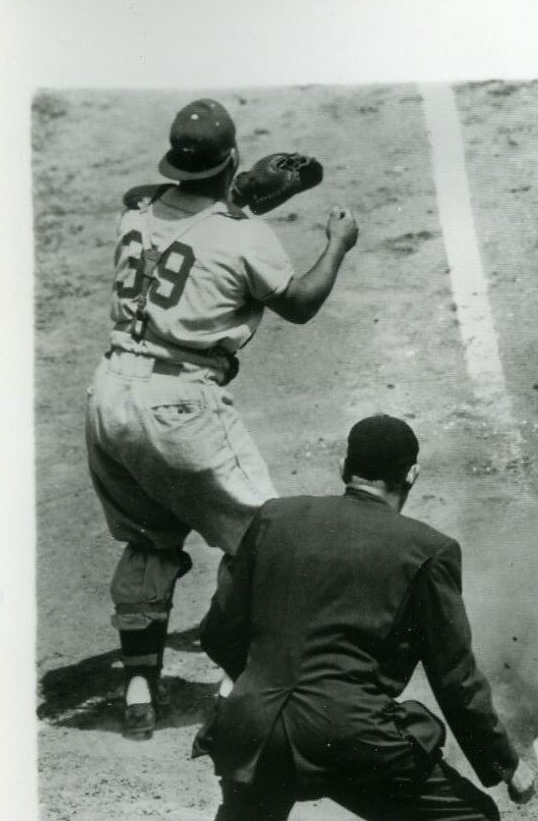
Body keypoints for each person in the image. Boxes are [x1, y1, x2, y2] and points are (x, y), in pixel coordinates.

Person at [193, 414, 537, 821]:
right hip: (349, 736)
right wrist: (504, 763)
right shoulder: (426, 548)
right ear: (410, 476)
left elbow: (217, 633)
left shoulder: (273, 519)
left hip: (253, 727)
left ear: (344, 467)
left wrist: (265, 687)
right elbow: (454, 678)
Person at [86, 97, 360, 737]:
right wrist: (337, 243)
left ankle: (136, 686)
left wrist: (228, 193)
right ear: (232, 159)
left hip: (109, 398)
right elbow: (298, 304)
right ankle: (236, 679)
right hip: (179, 404)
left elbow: (146, 190)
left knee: (149, 541)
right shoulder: (244, 237)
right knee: (264, 540)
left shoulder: (136, 212)